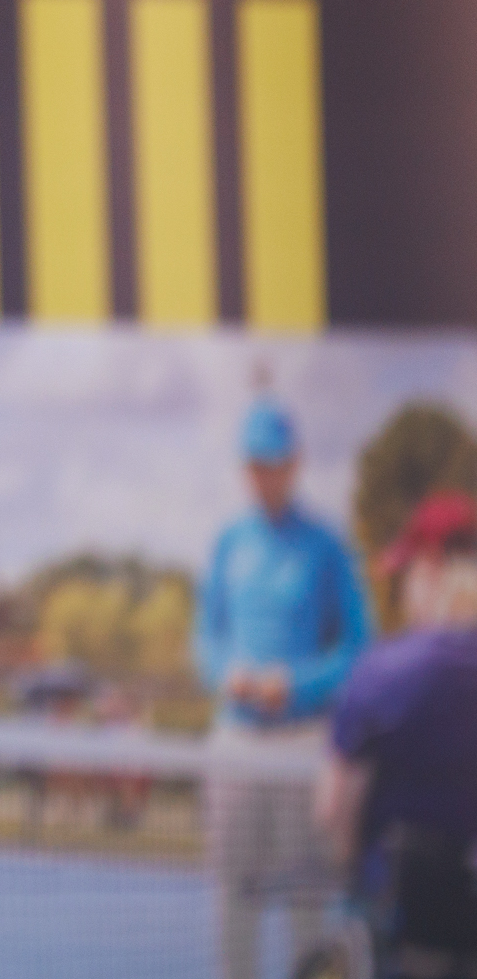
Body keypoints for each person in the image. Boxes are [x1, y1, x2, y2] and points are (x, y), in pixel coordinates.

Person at [198, 397, 377, 979]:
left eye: (275, 462)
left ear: (295, 464)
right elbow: (205, 638)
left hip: (303, 748)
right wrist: (229, 675)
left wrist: (295, 685)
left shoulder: (327, 546)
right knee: (234, 902)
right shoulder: (228, 543)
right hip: (236, 747)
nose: (264, 475)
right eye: (255, 463)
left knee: (307, 905)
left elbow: (358, 648)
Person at [326, 490, 477, 969]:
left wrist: (348, 864)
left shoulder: (379, 672)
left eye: (406, 574)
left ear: (430, 567)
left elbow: (332, 806)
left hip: (394, 919)